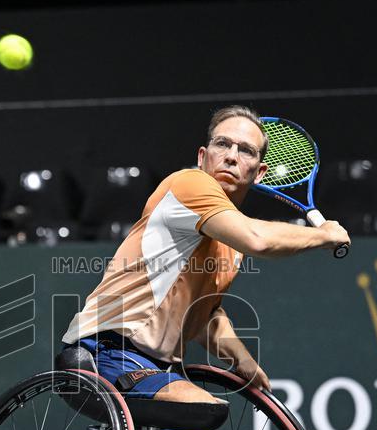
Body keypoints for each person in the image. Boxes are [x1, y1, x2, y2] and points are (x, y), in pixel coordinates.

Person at [62, 105, 351, 403]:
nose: (231, 156)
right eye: (222, 144)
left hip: (157, 367)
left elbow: (204, 316)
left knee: (197, 422)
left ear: (260, 172)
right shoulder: (190, 184)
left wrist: (243, 361)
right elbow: (258, 240)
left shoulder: (229, 244)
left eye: (246, 151)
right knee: (203, 407)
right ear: (202, 157)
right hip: (104, 352)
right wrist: (324, 235)